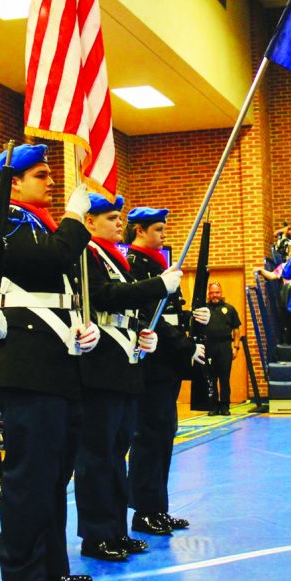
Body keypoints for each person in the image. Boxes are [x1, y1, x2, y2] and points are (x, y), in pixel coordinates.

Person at [0, 143, 99, 581]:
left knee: (54, 476)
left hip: (57, 365)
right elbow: (51, 258)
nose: (51, 182)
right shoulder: (6, 220)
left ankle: (52, 565)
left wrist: (81, 329)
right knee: (28, 478)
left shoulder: (40, 223)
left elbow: (61, 284)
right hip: (28, 372)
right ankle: (21, 573)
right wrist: (74, 218)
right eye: (41, 175)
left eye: (51, 175)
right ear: (15, 182)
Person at [76, 194, 182, 562]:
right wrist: (157, 287)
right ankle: (96, 534)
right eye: (109, 217)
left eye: (119, 217)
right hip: (100, 362)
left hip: (124, 358)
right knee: (98, 454)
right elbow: (105, 297)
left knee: (116, 451)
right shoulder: (86, 253)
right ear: (88, 221)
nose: (118, 222)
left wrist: (142, 332)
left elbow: (127, 306)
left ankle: (116, 530)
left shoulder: (114, 256)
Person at [126, 207, 204, 536]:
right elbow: (148, 317)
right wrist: (186, 347)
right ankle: (144, 512)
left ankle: (159, 507)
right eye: (157, 229)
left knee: (164, 438)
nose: (163, 235)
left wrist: (192, 320)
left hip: (167, 366)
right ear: (140, 231)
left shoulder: (159, 264)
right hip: (151, 365)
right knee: (149, 440)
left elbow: (171, 316)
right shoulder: (134, 266)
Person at [199, 281, 241, 416]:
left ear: (221, 293)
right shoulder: (203, 309)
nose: (214, 295)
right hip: (208, 348)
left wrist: (236, 347)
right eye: (211, 292)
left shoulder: (229, 309)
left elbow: (236, 330)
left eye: (217, 292)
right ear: (208, 294)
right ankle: (212, 406)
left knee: (224, 378)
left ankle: (225, 406)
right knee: (210, 379)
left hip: (224, 348)